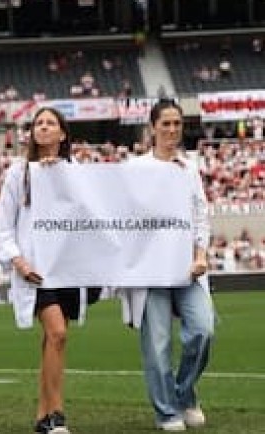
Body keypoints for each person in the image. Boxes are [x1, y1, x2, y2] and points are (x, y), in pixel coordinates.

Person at [0, 107, 96, 434]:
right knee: (58, 332)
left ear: (62, 134)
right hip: (35, 271)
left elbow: (91, 215)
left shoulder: (76, 172)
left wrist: (63, 178)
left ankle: (42, 415)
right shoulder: (18, 173)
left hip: (68, 268)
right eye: (39, 123)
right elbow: (3, 227)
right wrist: (19, 262)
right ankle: (57, 414)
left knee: (54, 340)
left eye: (50, 123)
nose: (43, 127)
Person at [120, 100, 214, 432]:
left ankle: (184, 394)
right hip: (150, 271)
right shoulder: (134, 169)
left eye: (177, 123)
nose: (172, 130)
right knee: (158, 345)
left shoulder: (189, 168)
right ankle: (167, 412)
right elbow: (118, 212)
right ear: (153, 127)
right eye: (166, 124)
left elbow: (200, 215)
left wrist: (201, 255)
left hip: (187, 269)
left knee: (203, 330)